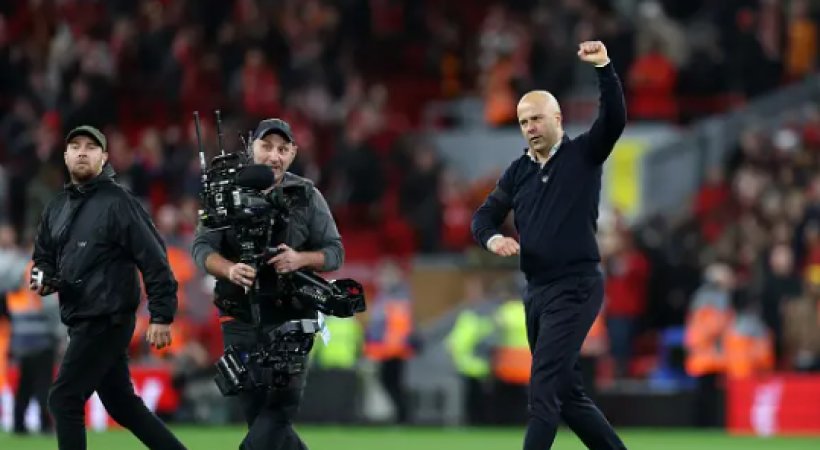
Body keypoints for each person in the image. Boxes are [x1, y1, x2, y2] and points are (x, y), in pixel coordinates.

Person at [470, 41, 628, 450]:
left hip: (575, 285)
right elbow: (483, 217)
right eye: (523, 122)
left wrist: (604, 69)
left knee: (542, 391)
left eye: (537, 118)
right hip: (537, 290)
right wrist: (494, 238)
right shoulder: (518, 171)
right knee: (567, 396)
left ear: (558, 118)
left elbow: (614, 119)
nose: (530, 127)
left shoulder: (583, 155)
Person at [191, 118, 344, 449]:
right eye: (267, 147)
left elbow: (335, 252)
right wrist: (230, 269)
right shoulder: (224, 191)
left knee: (279, 408)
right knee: (257, 413)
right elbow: (201, 248)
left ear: (293, 153)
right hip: (239, 315)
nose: (274, 156)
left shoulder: (307, 195)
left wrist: (300, 259)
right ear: (252, 148)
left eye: (282, 149)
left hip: (292, 315)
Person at [31, 125, 187, 450]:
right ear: (66, 156)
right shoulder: (56, 207)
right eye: (76, 146)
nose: (82, 152)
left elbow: (154, 258)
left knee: (64, 398)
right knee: (121, 404)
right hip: (81, 318)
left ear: (104, 158)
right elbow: (43, 256)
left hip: (106, 318)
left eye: (91, 147)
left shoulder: (118, 201)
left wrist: (161, 314)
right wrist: (42, 276)